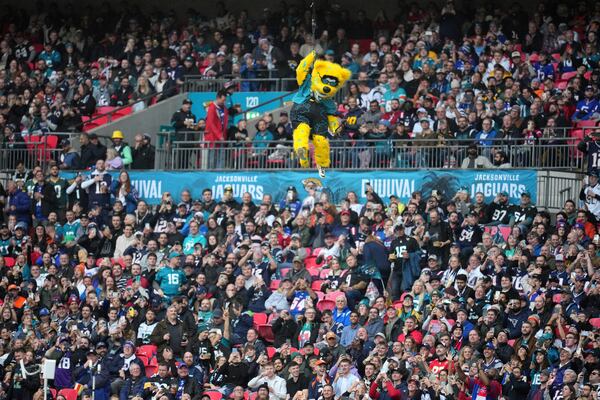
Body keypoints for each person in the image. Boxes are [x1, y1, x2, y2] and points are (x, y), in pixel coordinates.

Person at [205, 90, 229, 169]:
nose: (224, 102)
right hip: (213, 138)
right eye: (222, 100)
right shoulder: (212, 107)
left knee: (221, 158)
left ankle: (220, 175)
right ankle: (211, 176)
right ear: (218, 98)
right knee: (212, 159)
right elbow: (211, 123)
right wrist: (219, 135)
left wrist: (223, 136)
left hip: (221, 138)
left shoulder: (225, 108)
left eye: (225, 100)